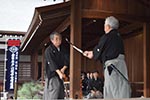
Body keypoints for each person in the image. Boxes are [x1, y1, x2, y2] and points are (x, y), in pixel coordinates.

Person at [83, 16, 131, 99]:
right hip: (121, 65)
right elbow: (106, 51)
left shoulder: (107, 37)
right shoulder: (118, 37)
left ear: (108, 26)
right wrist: (92, 53)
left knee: (112, 87)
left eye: (104, 25)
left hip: (112, 66)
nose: (104, 28)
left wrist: (91, 54)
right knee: (121, 86)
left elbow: (98, 50)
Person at [43, 32, 69, 100]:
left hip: (61, 73)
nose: (59, 41)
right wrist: (59, 73)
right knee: (54, 90)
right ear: (52, 40)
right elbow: (52, 63)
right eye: (56, 39)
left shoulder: (63, 49)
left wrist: (63, 69)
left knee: (61, 92)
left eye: (60, 39)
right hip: (53, 74)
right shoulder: (48, 50)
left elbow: (67, 60)